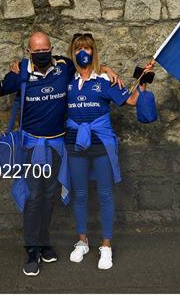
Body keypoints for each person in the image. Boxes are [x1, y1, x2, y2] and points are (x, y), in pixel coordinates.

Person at [0, 31, 121, 277]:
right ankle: (32, 250)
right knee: (34, 197)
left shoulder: (63, 68)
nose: (42, 53)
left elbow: (84, 65)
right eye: (37, 50)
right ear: (29, 51)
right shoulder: (20, 71)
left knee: (49, 195)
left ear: (51, 48)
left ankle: (43, 244)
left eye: (46, 49)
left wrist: (106, 68)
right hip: (32, 147)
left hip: (57, 147)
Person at [64, 33, 154, 270]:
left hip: (101, 146)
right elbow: (47, 63)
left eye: (87, 48)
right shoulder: (67, 80)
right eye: (77, 48)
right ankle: (82, 241)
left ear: (94, 51)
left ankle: (106, 245)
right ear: (72, 52)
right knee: (80, 194)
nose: (82, 52)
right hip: (75, 145)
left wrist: (143, 80)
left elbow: (132, 101)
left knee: (105, 195)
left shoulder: (104, 80)